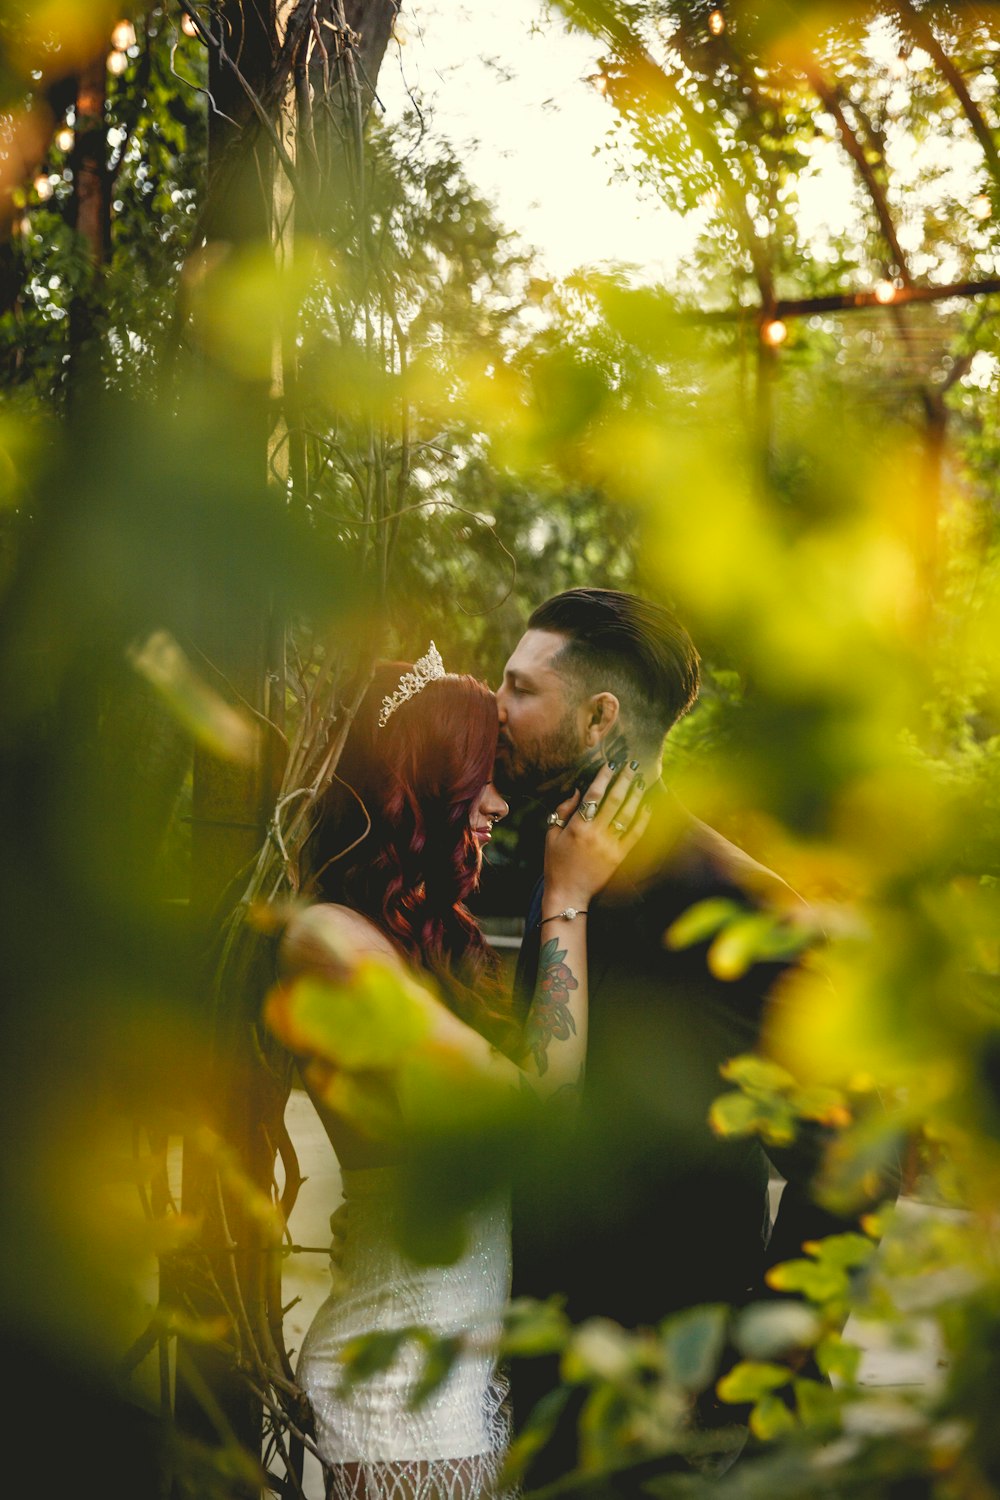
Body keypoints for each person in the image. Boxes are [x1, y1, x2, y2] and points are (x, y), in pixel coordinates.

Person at [493, 588, 899, 1480]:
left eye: (522, 689)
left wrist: (742, 1375)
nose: (498, 707)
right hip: (557, 1394)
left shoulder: (733, 903)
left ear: (599, 716)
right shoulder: (563, 871)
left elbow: (861, 1158)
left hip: (676, 1426)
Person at [276, 643, 649, 1500]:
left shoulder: (424, 945)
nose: (496, 800)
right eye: (481, 773)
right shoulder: (331, 943)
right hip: (396, 1408)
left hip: (456, 1401)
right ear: (425, 777)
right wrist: (566, 901)